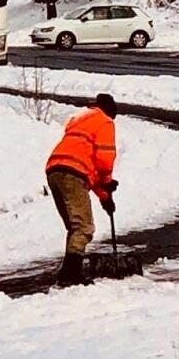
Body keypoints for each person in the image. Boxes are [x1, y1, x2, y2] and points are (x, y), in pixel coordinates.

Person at [45, 93, 118, 286]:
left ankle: (68, 273)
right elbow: (103, 159)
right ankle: (70, 275)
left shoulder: (82, 120)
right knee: (83, 228)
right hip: (73, 174)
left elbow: (88, 170)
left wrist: (105, 198)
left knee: (74, 226)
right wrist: (108, 181)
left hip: (55, 170)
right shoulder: (105, 122)